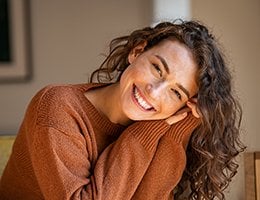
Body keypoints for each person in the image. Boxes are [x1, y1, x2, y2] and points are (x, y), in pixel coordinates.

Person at [0, 20, 245, 200]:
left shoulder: (163, 124)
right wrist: (144, 133)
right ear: (136, 52)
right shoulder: (57, 107)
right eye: (158, 69)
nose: (154, 91)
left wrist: (179, 126)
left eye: (176, 92)